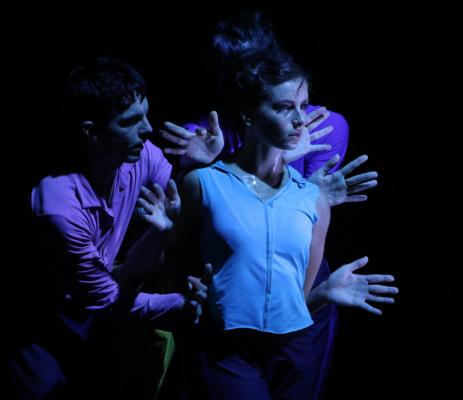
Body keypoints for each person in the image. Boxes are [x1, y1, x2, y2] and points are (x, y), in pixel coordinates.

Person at [173, 25, 397, 399]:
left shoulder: (322, 133)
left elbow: (298, 289)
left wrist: (324, 293)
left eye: (302, 105)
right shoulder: (205, 152)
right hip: (229, 317)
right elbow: (182, 256)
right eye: (283, 107)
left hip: (293, 304)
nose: (299, 118)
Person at [2, 57, 220, 399]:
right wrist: (182, 303)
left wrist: (197, 169)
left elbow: (179, 198)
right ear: (91, 132)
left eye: (145, 114)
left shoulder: (141, 156)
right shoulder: (60, 205)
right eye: (130, 121)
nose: (147, 129)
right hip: (43, 321)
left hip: (97, 311)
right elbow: (106, 301)